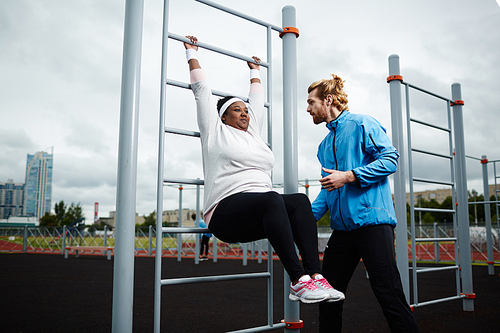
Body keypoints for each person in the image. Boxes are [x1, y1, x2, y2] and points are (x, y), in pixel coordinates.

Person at [183, 35, 344, 304]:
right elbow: (201, 90)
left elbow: (256, 102)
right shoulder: (214, 130)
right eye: (237, 110)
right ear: (223, 116)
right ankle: (298, 280)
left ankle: (315, 276)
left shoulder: (254, 134)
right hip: (224, 212)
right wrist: (191, 53)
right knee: (272, 199)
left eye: (246, 110)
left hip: (259, 210)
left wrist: (255, 71)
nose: (245, 113)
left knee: (299, 201)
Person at [306, 74, 419, 332]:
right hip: (343, 231)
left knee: (388, 293)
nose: (308, 108)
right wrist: (303, 219)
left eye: (311, 102)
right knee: (328, 295)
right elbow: (328, 190)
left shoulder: (362, 123)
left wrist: (349, 176)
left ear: (328, 99)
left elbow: (391, 159)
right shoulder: (323, 146)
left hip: (372, 224)